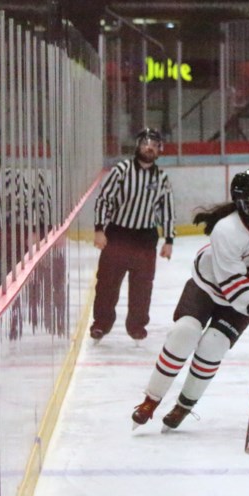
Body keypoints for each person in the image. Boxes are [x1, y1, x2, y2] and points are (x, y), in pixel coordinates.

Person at [129, 169, 249, 432]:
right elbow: (230, 282)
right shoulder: (226, 231)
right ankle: (151, 399)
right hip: (207, 286)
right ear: (242, 203)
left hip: (245, 292)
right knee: (184, 333)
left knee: (213, 346)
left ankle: (184, 405)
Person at [90, 127, 176, 343]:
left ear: (159, 151)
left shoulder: (162, 178)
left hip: (145, 239)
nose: (149, 147)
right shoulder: (121, 170)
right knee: (107, 283)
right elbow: (104, 200)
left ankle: (137, 326)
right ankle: (101, 324)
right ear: (138, 145)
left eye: (155, 145)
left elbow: (166, 209)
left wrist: (169, 240)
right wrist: (100, 230)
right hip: (118, 235)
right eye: (146, 143)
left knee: (142, 286)